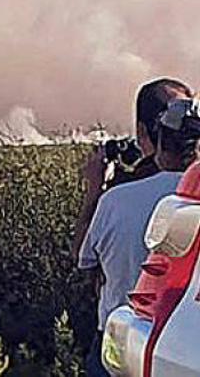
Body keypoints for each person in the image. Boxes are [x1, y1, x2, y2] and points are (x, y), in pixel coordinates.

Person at [78, 89, 199, 377]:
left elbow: (84, 264)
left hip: (120, 345)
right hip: (182, 346)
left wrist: (95, 190)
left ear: (156, 140)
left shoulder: (114, 202)